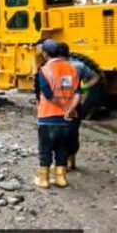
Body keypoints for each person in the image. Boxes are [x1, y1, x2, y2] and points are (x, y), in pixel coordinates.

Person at [34, 39, 81, 189]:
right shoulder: (72, 69)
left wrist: (61, 106)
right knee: (62, 148)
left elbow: (48, 95)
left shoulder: (44, 70)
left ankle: (43, 179)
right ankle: (61, 179)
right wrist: (69, 109)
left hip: (48, 117)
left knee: (45, 148)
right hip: (67, 119)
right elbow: (77, 93)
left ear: (45, 54)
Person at [59, 42, 102, 170]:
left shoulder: (60, 67)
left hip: (64, 106)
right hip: (73, 105)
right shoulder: (78, 65)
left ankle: (66, 162)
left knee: (64, 134)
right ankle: (70, 160)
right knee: (72, 133)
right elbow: (96, 77)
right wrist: (84, 87)